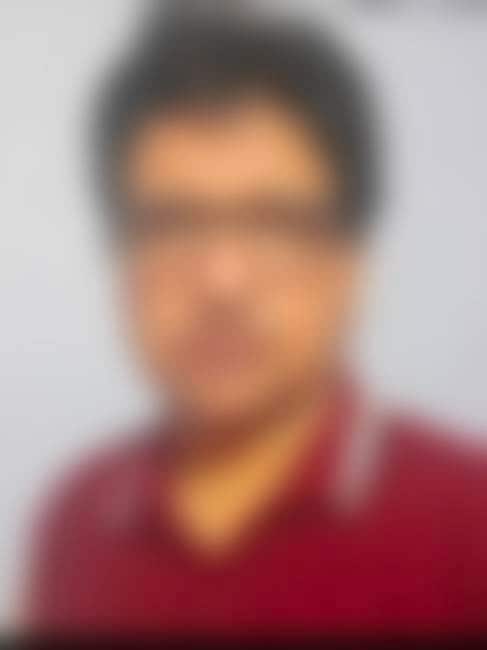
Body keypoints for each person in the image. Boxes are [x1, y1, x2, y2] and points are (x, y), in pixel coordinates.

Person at [24, 4, 487, 637]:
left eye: (273, 222)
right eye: (172, 223)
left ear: (350, 267)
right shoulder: (76, 521)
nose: (223, 281)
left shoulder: (467, 526)